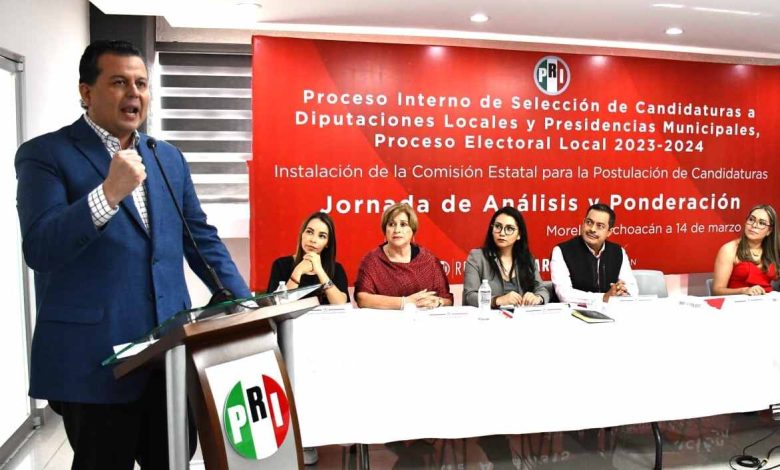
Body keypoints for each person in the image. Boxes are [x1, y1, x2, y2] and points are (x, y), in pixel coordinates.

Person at [15, 40, 250, 469]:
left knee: (174, 460)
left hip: (169, 355)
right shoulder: (45, 154)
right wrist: (108, 194)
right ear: (86, 92)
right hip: (96, 360)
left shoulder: (167, 157)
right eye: (119, 82)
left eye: (141, 83)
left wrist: (244, 301)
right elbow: (41, 247)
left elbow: (200, 238)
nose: (134, 94)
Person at [355, 202, 453, 309]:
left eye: (403, 224)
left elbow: (447, 300)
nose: (397, 230)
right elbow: (362, 298)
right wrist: (405, 302)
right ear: (385, 230)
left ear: (412, 230)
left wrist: (438, 302)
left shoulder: (429, 260)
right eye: (391, 224)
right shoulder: (372, 260)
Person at [550, 203, 638, 304]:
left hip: (610, 310)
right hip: (572, 312)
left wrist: (621, 291)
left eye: (600, 226)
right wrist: (603, 297)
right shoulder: (561, 251)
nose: (592, 229)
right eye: (589, 222)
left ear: (609, 232)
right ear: (583, 223)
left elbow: (632, 289)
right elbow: (564, 295)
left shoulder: (618, 251)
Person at [463, 206, 549, 307]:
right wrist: (497, 300)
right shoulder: (477, 257)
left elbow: (542, 290)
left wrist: (538, 297)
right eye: (498, 226)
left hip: (521, 315)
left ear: (519, 235)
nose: (502, 233)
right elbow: (469, 296)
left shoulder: (527, 259)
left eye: (509, 229)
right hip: (488, 316)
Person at [266, 211, 349, 304]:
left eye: (321, 236)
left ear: (327, 243)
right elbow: (275, 304)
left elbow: (341, 303)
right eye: (309, 232)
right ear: (302, 234)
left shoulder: (336, 268)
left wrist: (320, 271)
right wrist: (298, 271)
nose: (313, 240)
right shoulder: (280, 265)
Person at [712, 204, 779, 295]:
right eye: (751, 219)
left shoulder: (773, 250)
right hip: (738, 301)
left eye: (761, 223)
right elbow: (717, 291)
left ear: (769, 231)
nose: (754, 225)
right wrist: (744, 291)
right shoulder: (729, 249)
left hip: (768, 301)